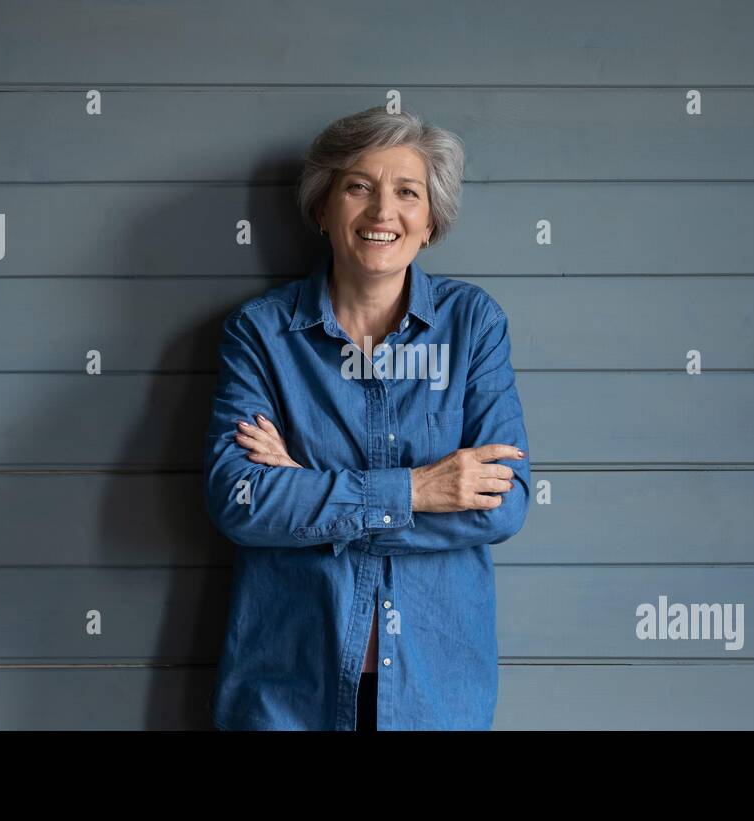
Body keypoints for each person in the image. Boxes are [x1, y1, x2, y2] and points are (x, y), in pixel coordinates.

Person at [204, 105, 531, 730]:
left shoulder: (474, 325)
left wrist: (308, 491)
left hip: (434, 692)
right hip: (289, 687)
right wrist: (418, 490)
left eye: (407, 192)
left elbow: (505, 501)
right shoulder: (262, 334)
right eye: (359, 187)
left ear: (430, 220)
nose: (383, 212)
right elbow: (239, 500)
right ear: (323, 210)